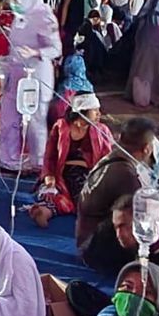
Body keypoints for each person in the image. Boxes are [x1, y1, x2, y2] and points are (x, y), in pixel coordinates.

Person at [0, 0, 62, 172]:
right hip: (15, 73)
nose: (14, 4)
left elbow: (56, 49)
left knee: (36, 122)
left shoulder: (44, 16)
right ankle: (8, 160)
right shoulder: (19, 16)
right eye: (12, 0)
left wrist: (35, 52)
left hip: (36, 75)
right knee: (9, 118)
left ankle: (39, 163)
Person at [30, 93, 113, 228]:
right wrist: (49, 175)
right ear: (82, 112)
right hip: (62, 172)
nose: (99, 114)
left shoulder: (101, 130)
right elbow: (50, 155)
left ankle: (90, 213)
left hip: (89, 172)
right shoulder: (61, 127)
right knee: (50, 193)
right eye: (95, 111)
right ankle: (44, 212)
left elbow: (107, 158)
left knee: (89, 194)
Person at [76, 117, 155, 254]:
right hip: (93, 247)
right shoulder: (126, 175)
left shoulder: (111, 157)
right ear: (147, 148)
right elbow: (143, 211)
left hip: (84, 237)